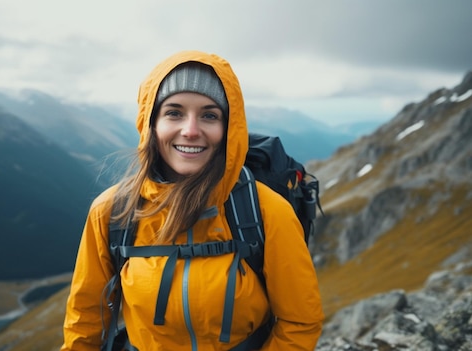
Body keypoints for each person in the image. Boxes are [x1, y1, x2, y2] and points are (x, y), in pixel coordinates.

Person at [61, 50, 324, 350]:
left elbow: (300, 322)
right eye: (174, 112)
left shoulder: (266, 210)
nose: (191, 131)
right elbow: (85, 321)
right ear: (151, 123)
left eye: (209, 116)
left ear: (229, 128)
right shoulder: (112, 212)